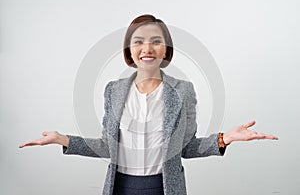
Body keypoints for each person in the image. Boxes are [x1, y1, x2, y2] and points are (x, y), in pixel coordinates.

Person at [19, 14, 278, 195]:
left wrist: (224, 138)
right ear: (130, 51)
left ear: (166, 50)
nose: (147, 48)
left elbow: (187, 148)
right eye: (138, 41)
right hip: (119, 186)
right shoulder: (114, 91)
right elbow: (107, 147)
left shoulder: (183, 90)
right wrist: (61, 138)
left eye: (156, 41)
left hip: (164, 187)